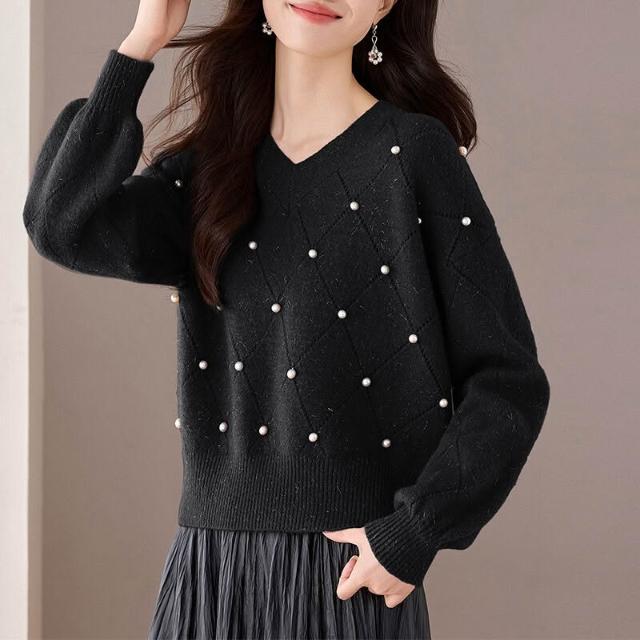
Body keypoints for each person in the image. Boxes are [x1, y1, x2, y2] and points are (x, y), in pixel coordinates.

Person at [22, 0, 551, 638]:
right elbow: (60, 223)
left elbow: (508, 380)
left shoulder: (415, 156)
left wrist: (415, 533)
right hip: (210, 576)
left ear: (385, 3)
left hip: (349, 581)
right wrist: (144, 38)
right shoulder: (210, 171)